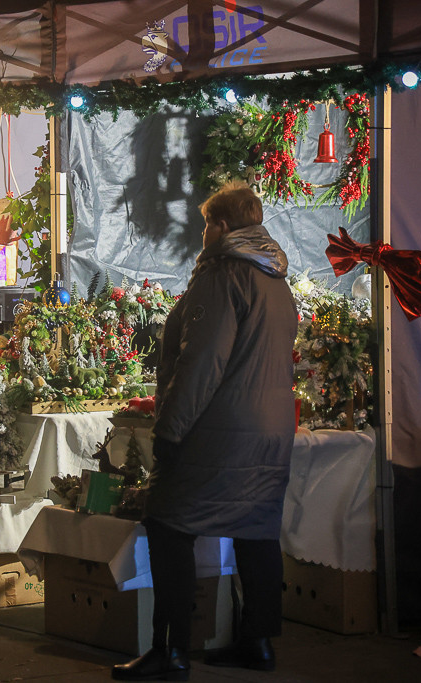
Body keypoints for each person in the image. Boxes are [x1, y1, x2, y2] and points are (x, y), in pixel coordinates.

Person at [112, 182, 298, 681]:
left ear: (219, 226)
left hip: (220, 428)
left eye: (204, 225)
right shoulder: (276, 279)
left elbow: (202, 363)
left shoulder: (223, 275)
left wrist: (169, 429)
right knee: (256, 530)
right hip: (272, 430)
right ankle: (256, 642)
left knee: (168, 522)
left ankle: (170, 650)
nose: (201, 234)